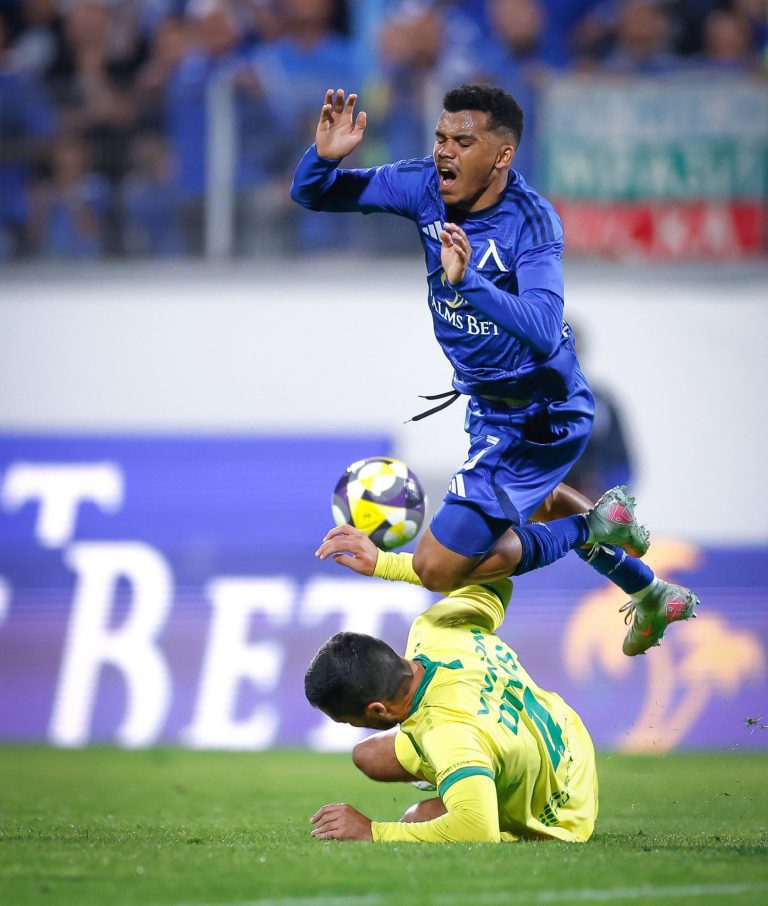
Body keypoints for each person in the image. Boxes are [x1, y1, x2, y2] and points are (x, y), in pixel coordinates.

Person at [291, 83, 698, 656]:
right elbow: (312, 194)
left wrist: (470, 284)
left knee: (439, 568)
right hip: (491, 407)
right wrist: (325, 156)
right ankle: (650, 591)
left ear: (502, 155)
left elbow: (543, 325)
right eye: (440, 137)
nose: (444, 150)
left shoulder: (531, 221)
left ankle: (592, 526)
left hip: (540, 413)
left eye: (463, 141)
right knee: (535, 502)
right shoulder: (422, 185)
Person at [305, 521, 604, 843]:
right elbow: (492, 577)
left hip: (563, 805)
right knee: (368, 756)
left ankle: (471, 775)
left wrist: (372, 831)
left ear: (378, 709)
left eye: (351, 721)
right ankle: (470, 772)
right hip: (565, 734)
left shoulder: (446, 733)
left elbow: (477, 830)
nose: (354, 726)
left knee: (415, 819)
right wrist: (385, 563)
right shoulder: (434, 630)